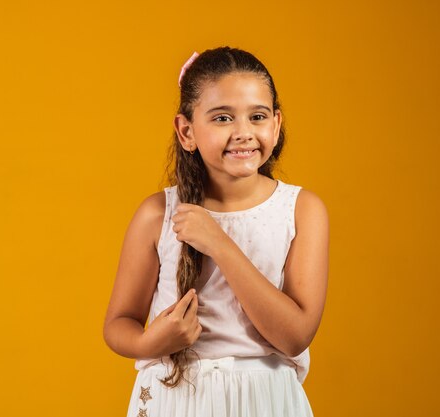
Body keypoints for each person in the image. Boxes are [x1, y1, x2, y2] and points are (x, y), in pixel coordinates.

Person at [103, 46, 329, 417]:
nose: (243, 132)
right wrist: (150, 341)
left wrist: (219, 243)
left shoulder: (302, 211)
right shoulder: (156, 214)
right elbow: (118, 323)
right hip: (172, 400)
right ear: (187, 131)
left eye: (257, 116)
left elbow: (294, 336)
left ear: (275, 124)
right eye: (222, 118)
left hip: (264, 401)